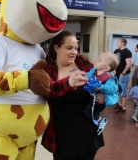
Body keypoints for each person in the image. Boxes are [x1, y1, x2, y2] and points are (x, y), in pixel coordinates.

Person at [42, 31, 105, 160]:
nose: (74, 52)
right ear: (56, 48)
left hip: (88, 133)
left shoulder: (85, 65)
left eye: (76, 48)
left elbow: (99, 91)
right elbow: (48, 91)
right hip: (62, 136)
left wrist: (103, 98)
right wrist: (68, 82)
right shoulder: (47, 70)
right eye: (69, 48)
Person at [83, 52, 119, 135]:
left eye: (99, 60)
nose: (96, 61)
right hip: (92, 98)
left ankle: (100, 119)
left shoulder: (109, 78)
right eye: (97, 59)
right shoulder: (93, 71)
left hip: (99, 102)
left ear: (106, 67)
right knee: (87, 111)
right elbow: (86, 76)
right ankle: (96, 122)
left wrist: (101, 87)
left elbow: (113, 88)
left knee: (87, 111)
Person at [114, 38, 132, 112]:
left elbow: (129, 64)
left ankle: (123, 107)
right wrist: (114, 70)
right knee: (117, 89)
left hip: (124, 75)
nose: (117, 44)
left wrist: (123, 73)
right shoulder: (116, 51)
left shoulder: (127, 52)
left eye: (118, 42)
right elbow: (114, 61)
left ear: (122, 43)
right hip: (117, 73)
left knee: (123, 91)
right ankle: (119, 104)